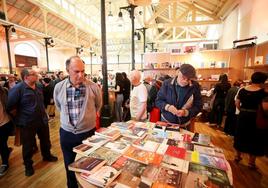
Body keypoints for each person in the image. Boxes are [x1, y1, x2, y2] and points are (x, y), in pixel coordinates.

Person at [54, 56, 102, 188]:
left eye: (83, 71)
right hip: (67, 134)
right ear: (67, 70)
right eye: (76, 71)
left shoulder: (93, 87)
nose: (81, 75)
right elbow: (59, 106)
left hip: (87, 134)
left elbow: (98, 105)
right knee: (69, 165)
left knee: (88, 165)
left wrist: (87, 119)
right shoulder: (59, 87)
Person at [7, 69, 58, 177]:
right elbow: (10, 106)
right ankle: (28, 165)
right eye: (33, 74)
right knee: (28, 145)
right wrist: (20, 118)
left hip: (42, 120)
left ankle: (47, 155)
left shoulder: (39, 86)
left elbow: (42, 101)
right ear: (26, 77)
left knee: (45, 140)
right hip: (27, 123)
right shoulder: (18, 89)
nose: (37, 75)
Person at [234, 72, 268, 169]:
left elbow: (237, 103)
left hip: (243, 115)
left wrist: (242, 111)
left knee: (240, 135)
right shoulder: (263, 92)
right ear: (262, 81)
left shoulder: (242, 90)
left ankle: (237, 156)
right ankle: (251, 162)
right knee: (254, 138)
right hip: (256, 117)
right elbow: (265, 108)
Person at [156, 64, 202, 131]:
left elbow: (198, 106)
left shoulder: (195, 86)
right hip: (166, 122)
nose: (185, 81)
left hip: (185, 124)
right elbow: (158, 101)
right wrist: (168, 107)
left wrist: (186, 112)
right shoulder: (167, 83)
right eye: (183, 77)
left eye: (188, 79)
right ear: (178, 73)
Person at [0, 85, 13, 177]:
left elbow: (10, 105)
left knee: (2, 143)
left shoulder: (4, 91)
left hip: (4, 123)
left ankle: (5, 163)